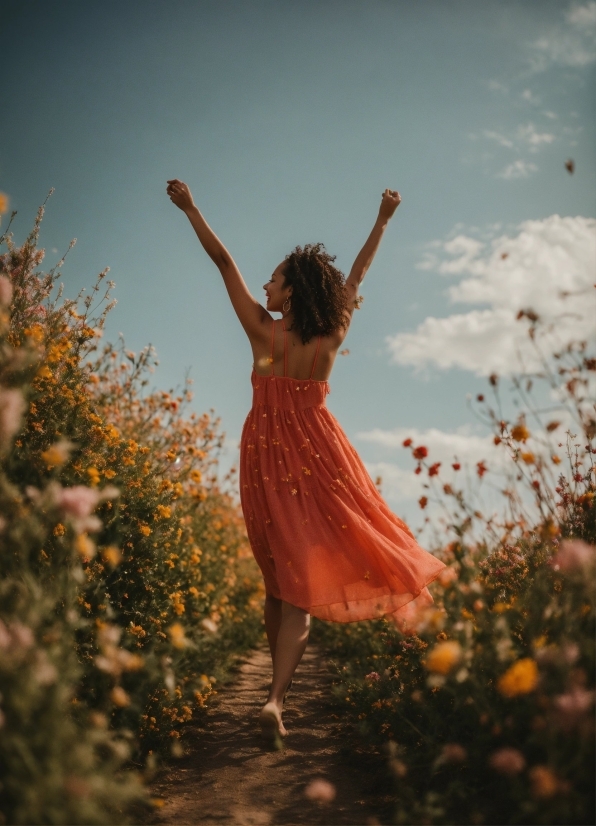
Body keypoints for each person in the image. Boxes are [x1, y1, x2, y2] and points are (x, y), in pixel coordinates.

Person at [166, 179, 445, 740]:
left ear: (290, 292)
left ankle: (275, 697)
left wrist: (191, 209)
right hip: (321, 454)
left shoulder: (261, 334)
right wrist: (383, 221)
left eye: (274, 278)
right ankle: (276, 697)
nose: (267, 284)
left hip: (266, 459)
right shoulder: (332, 335)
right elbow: (357, 276)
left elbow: (222, 261)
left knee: (279, 582)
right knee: (308, 571)